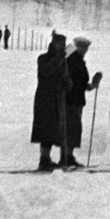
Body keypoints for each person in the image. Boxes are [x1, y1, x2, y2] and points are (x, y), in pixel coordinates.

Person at [30, 33, 70, 170]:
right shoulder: (43, 58)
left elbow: (66, 79)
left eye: (64, 45)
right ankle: (44, 159)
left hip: (57, 99)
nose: (63, 47)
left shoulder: (62, 60)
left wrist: (67, 83)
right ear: (53, 44)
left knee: (55, 130)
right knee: (45, 130)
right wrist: (59, 58)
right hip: (45, 99)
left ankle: (51, 159)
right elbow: (46, 71)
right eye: (60, 44)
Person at [62, 37, 103, 168]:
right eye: (84, 48)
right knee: (71, 128)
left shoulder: (77, 61)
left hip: (77, 100)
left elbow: (81, 82)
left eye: (86, 48)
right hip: (71, 100)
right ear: (77, 47)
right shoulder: (71, 60)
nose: (86, 51)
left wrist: (93, 84)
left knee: (73, 128)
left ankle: (68, 156)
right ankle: (66, 157)